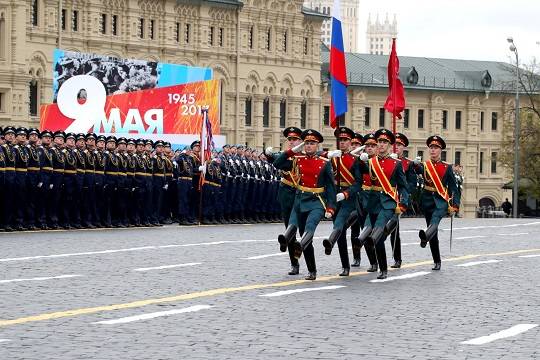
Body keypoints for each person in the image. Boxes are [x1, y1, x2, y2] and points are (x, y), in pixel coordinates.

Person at [275, 129, 336, 281]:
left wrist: (330, 207)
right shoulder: (298, 160)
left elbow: (331, 188)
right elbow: (278, 163)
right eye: (306, 143)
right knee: (292, 225)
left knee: (308, 230)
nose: (308, 146)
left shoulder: (325, 163)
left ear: (317, 145)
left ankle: (311, 270)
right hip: (300, 199)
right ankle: (288, 243)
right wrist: (291, 151)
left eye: (312, 143)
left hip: (316, 201)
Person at [361, 129, 409, 279]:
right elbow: (356, 174)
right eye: (379, 142)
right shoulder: (370, 162)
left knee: (380, 228)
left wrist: (403, 203)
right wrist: (359, 159)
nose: (381, 144)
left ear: (389, 145)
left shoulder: (396, 164)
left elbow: (403, 186)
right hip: (373, 202)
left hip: (388, 203)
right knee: (379, 237)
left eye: (384, 142)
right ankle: (382, 267)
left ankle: (383, 269)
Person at [321, 127, 363, 277]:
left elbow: (358, 183)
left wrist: (345, 194)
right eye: (340, 140)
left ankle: (330, 241)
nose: (342, 143)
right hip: (334, 197)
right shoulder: (332, 157)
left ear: (351, 142)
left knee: (339, 224)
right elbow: (314, 156)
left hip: (349, 199)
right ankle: (345, 266)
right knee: (341, 232)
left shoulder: (355, 160)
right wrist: (327, 154)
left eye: (345, 140)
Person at [417, 135, 460, 271]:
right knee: (432, 233)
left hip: (441, 201)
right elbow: (411, 171)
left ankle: (425, 235)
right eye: (431, 148)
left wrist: (455, 205)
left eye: (436, 148)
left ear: (440, 150)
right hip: (427, 200)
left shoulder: (447, 167)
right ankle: (437, 260)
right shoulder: (424, 166)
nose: (433, 150)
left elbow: (454, 187)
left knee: (435, 221)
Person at [265, 127, 303, 275]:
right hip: (287, 195)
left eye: (295, 139)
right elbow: (275, 159)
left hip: (303, 196)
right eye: (290, 140)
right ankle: (294, 264)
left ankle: (306, 258)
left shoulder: (306, 156)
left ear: (301, 141)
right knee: (290, 231)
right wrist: (267, 154)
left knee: (304, 231)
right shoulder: (284, 156)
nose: (292, 142)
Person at [388, 132, 418, 269]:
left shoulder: (408, 164)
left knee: (394, 229)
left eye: (399, 145)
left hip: (399, 198)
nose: (396, 147)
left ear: (403, 147)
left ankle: (397, 258)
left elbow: (412, 183)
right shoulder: (385, 161)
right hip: (386, 196)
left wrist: (404, 196)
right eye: (394, 144)